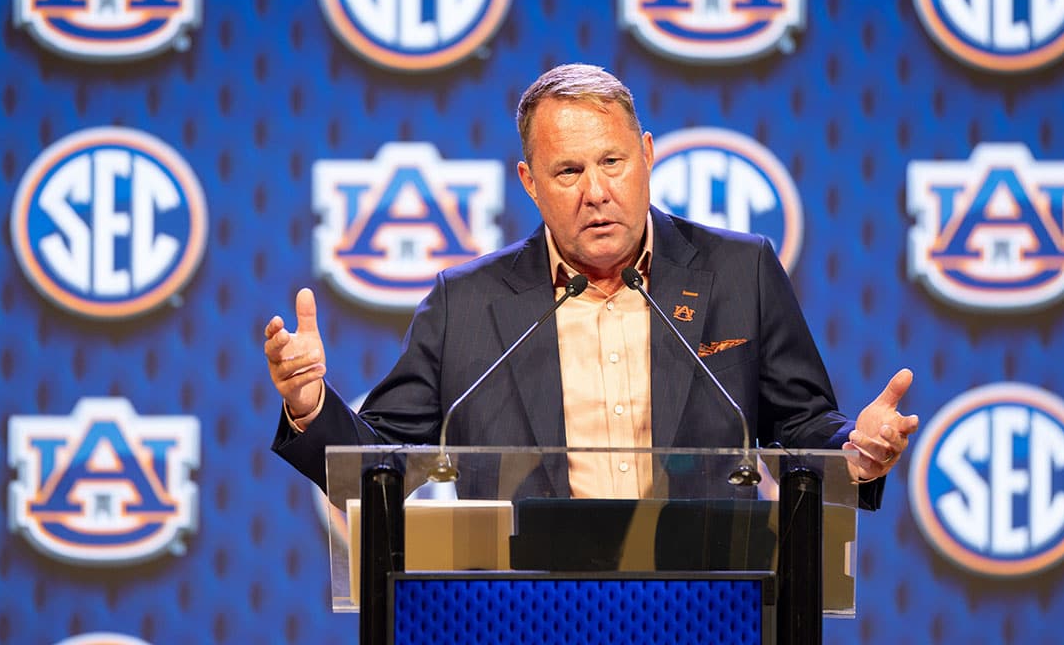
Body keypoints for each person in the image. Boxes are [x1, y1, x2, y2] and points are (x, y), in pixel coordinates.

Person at [266, 63, 918, 506]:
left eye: (613, 161)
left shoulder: (736, 273)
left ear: (648, 155)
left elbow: (801, 426)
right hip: (524, 613)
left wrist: (854, 454)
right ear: (529, 182)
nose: (597, 192)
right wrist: (310, 405)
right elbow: (373, 472)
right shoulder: (467, 305)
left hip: (703, 603)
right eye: (569, 171)